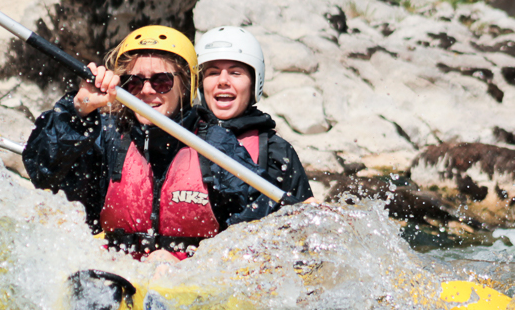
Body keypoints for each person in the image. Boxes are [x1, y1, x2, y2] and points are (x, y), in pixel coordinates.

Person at [22, 25, 198, 260]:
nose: (146, 90)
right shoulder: (107, 137)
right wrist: (78, 111)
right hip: (119, 277)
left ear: (185, 86)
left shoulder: (215, 145)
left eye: (161, 81)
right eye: (134, 82)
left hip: (188, 283)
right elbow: (43, 172)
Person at [179, 25, 314, 236]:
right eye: (213, 73)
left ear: (254, 83)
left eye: (235, 73)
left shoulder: (276, 152)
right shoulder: (178, 137)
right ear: (200, 84)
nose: (223, 81)